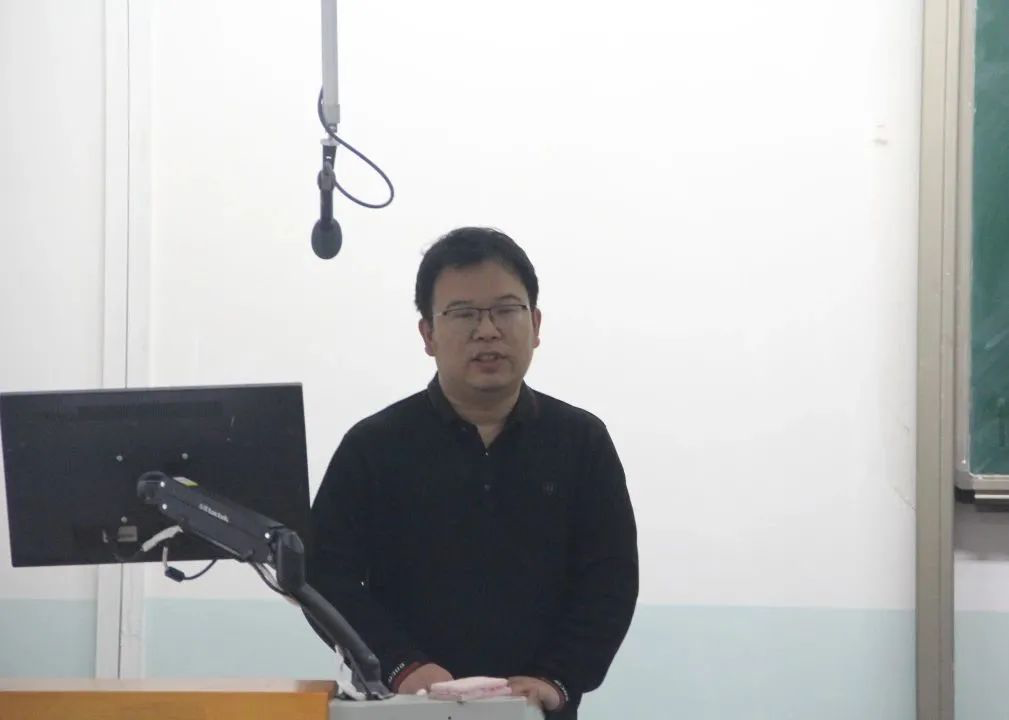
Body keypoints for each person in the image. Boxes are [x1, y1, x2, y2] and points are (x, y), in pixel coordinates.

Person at [307, 227, 638, 718]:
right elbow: (324, 576)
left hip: (537, 708)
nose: (487, 331)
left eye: (506, 310)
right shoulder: (374, 446)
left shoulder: (581, 441)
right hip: (404, 706)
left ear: (536, 324)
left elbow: (609, 582)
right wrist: (399, 665)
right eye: (463, 314)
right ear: (428, 334)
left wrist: (556, 677)